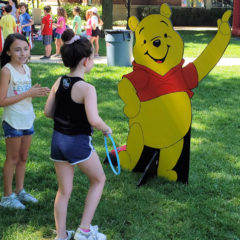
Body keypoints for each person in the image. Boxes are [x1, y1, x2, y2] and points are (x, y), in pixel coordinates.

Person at [44, 29, 111, 240]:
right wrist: (106, 128)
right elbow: (94, 119)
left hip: (58, 142)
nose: (93, 61)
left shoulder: (59, 81)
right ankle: (84, 230)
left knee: (63, 191)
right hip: (77, 143)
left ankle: (61, 236)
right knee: (99, 179)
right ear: (84, 61)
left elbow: (47, 112)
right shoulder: (87, 89)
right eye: (92, 58)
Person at [0, 33, 50, 209]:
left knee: (23, 157)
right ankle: (7, 197)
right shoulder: (6, 71)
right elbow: (2, 100)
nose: (23, 53)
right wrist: (28, 93)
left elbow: (21, 95)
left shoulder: (26, 69)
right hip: (13, 121)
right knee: (12, 158)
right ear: (8, 52)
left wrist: (35, 92)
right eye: (17, 50)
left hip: (27, 119)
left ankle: (20, 190)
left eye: (26, 49)